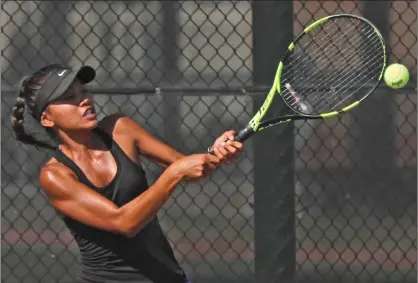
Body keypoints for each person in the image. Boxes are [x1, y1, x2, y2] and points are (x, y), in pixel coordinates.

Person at [11, 64, 244, 283]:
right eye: (69, 97)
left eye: (84, 92)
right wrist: (174, 173)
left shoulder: (119, 128)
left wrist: (215, 154)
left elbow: (188, 168)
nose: (84, 100)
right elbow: (123, 222)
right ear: (47, 118)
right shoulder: (55, 176)